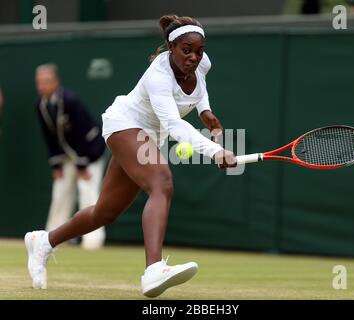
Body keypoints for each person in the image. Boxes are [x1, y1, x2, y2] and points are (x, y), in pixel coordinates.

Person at [25, 15, 237, 298]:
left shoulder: (202, 63)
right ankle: (153, 270)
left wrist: (205, 111)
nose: (194, 57)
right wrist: (215, 151)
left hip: (148, 136)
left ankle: (44, 241)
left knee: (105, 212)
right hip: (125, 125)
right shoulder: (158, 75)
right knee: (162, 183)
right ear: (171, 46)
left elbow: (200, 89)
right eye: (186, 50)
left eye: (198, 51)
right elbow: (174, 125)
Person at [34, 64, 106, 250]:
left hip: (90, 151)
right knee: (60, 192)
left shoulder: (70, 100)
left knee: (87, 193)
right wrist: (55, 165)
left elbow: (82, 132)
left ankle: (93, 241)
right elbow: (49, 136)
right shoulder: (40, 105)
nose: (42, 86)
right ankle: (52, 240)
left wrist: (82, 165)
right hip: (68, 156)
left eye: (46, 82)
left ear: (56, 82)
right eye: (39, 82)